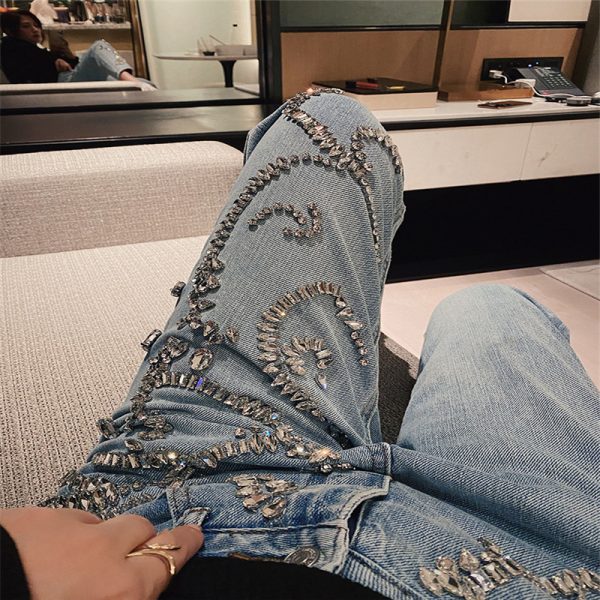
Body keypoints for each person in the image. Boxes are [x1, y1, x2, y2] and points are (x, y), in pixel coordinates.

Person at [1, 89, 599, 600]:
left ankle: (367, 447)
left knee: (337, 130)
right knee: (490, 304)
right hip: (551, 557)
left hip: (178, 501)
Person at [0, 10, 150, 88]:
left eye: (36, 25)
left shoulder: (33, 49)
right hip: (62, 84)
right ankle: (131, 81)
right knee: (99, 46)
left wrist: (62, 57)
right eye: (26, 26)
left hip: (68, 78)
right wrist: (55, 59)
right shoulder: (10, 47)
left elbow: (70, 64)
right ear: (11, 30)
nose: (35, 30)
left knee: (145, 83)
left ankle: (134, 82)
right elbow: (33, 71)